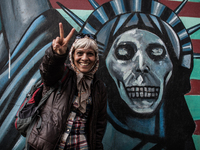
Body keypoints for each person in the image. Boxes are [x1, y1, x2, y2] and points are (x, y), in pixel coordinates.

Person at [26, 22, 107, 150]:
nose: (85, 58)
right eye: (79, 53)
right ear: (72, 56)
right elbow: (48, 72)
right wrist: (56, 55)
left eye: (90, 54)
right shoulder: (63, 74)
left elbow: (99, 126)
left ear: (96, 58)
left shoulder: (99, 87)